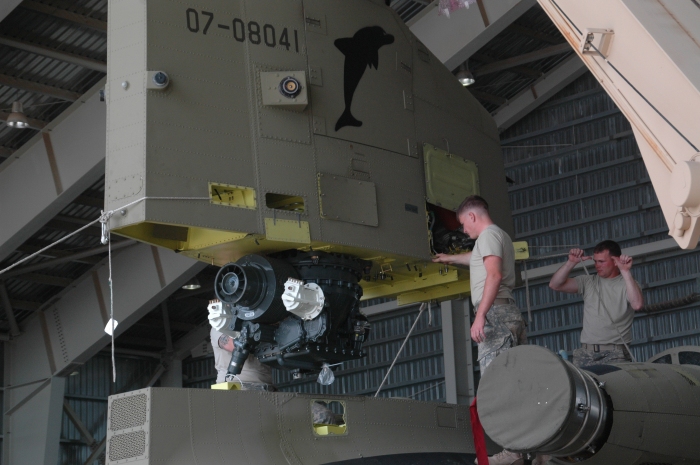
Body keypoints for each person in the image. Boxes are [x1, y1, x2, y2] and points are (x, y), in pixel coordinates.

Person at [433, 195, 529, 465]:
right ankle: (535, 448)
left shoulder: (486, 236)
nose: (464, 231)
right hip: (509, 313)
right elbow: (478, 259)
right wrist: (451, 258)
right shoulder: (499, 236)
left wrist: (481, 316)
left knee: (496, 388)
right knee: (517, 386)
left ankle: (513, 453)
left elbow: (494, 275)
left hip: (495, 316)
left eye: (464, 224)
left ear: (472, 217)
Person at [210, 327, 339, 424]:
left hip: (268, 393)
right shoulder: (219, 326)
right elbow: (234, 345)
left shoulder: (262, 326)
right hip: (238, 392)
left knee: (324, 417)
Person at [548, 240, 644, 367]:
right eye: (595, 261)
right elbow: (555, 285)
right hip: (586, 353)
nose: (597, 265)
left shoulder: (628, 284)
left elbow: (637, 305)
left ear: (615, 261)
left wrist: (626, 272)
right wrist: (571, 263)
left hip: (615, 353)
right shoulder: (588, 281)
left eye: (602, 261)